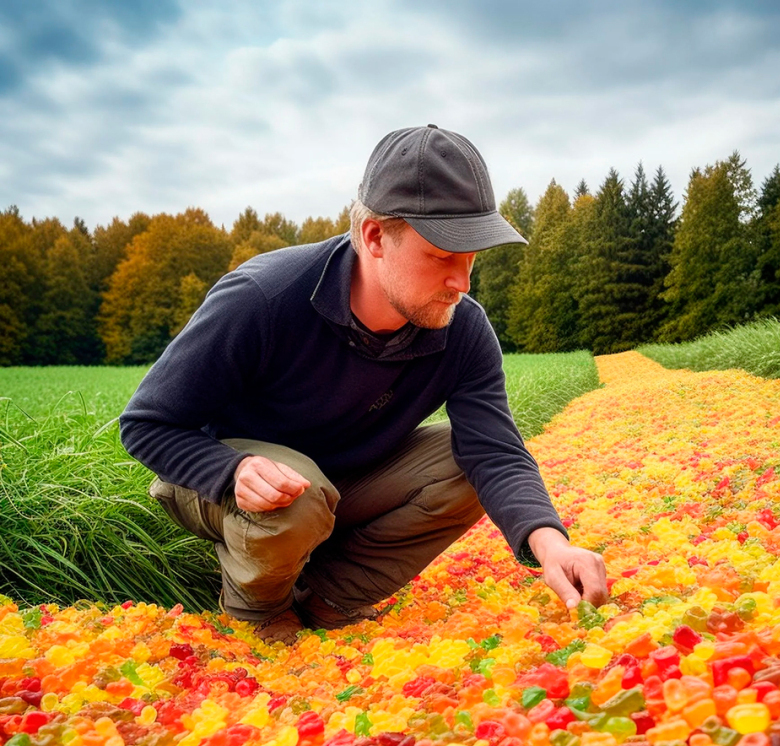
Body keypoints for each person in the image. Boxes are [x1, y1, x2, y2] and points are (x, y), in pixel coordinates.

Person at [119, 124, 608, 644]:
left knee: (462, 461)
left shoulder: (462, 327)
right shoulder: (262, 297)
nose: (462, 283)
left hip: (335, 483)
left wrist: (552, 545)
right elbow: (146, 424)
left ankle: (329, 597)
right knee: (298, 493)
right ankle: (260, 610)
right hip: (225, 482)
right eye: (443, 255)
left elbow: (495, 451)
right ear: (375, 237)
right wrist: (230, 469)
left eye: (472, 258)